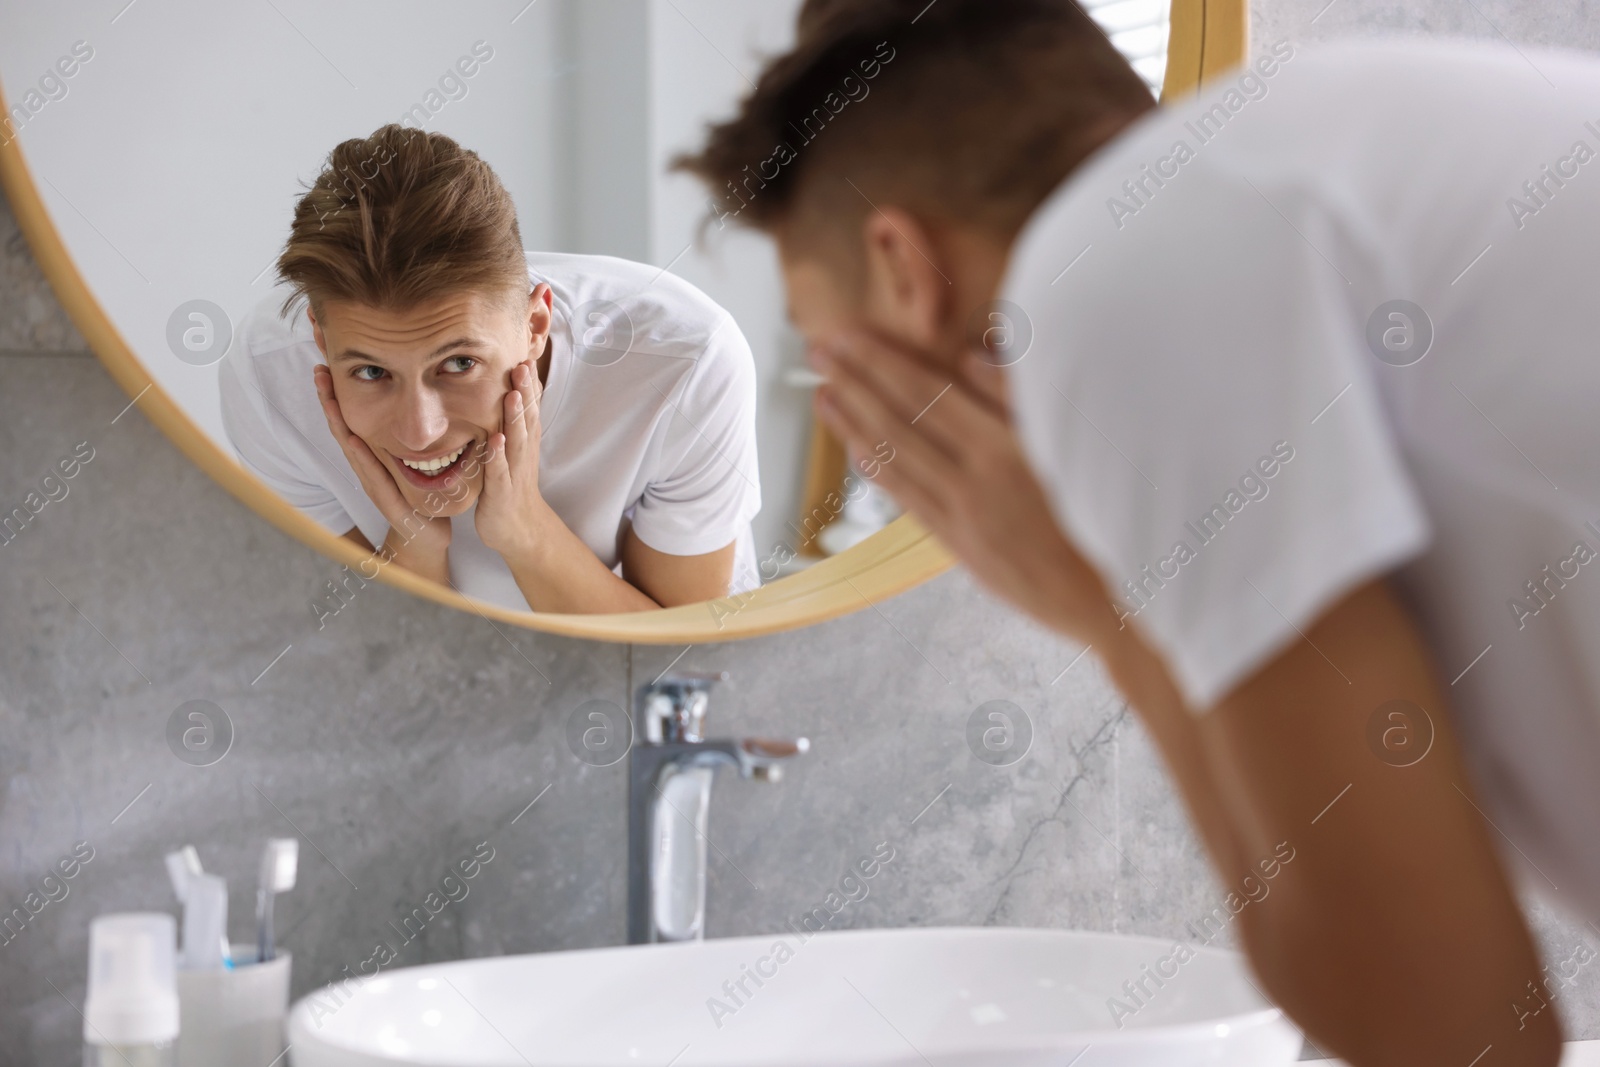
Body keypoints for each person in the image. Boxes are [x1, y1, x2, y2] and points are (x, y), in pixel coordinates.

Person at [676, 0, 1600, 1061]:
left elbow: (1453, 1027)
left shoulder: (1126, 266)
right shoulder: (1294, 159)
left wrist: (1109, 616)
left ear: (902, 269)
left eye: (833, 358)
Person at [220, 124, 761, 614]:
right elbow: (365, 669)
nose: (420, 432)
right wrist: (411, 549)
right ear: (319, 338)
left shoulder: (684, 363)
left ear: (535, 324)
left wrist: (525, 530)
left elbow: (678, 663)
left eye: (459, 364)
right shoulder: (271, 377)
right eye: (370, 372)